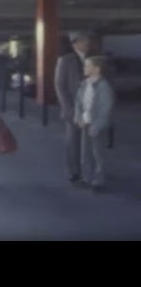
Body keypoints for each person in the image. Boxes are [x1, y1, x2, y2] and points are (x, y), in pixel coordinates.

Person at [54, 31, 91, 184]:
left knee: (89, 142)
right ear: (76, 43)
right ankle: (74, 172)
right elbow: (60, 86)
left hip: (90, 108)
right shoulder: (66, 60)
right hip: (73, 110)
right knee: (73, 142)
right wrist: (68, 109)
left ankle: (88, 170)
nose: (87, 43)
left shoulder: (93, 59)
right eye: (84, 41)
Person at [74, 56, 115, 192]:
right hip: (86, 122)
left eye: (87, 66)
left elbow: (105, 109)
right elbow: (79, 102)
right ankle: (87, 178)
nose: (84, 68)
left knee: (98, 153)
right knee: (85, 153)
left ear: (96, 69)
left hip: (97, 125)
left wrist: (97, 126)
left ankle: (98, 181)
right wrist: (79, 117)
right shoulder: (85, 84)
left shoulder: (104, 87)